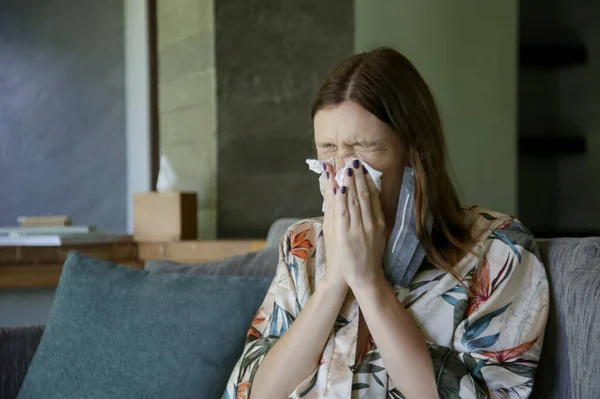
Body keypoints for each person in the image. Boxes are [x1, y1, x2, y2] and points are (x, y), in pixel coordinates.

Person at [222, 47, 549, 399]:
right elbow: (252, 393)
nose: (343, 170)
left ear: (415, 151)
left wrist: (368, 283)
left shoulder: (498, 250)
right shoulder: (302, 243)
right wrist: (334, 281)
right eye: (328, 148)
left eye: (364, 147)